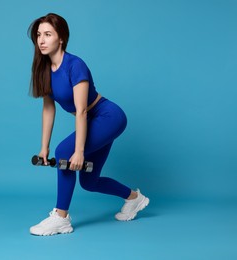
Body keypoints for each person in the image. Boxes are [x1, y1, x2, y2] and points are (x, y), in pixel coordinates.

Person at [28, 13, 149, 236]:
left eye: (48, 34)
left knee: (64, 152)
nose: (41, 40)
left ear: (61, 38)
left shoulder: (75, 65)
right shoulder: (44, 68)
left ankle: (61, 217)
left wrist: (79, 151)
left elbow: (82, 110)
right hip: (93, 121)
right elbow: (48, 108)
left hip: (108, 117)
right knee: (89, 182)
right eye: (38, 35)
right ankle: (134, 198)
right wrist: (43, 147)